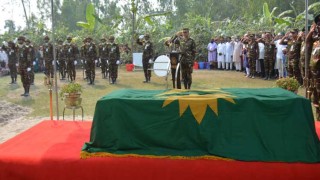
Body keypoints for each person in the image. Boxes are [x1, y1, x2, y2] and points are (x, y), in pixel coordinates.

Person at [306, 14, 320, 117]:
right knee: (316, 100)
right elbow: (307, 41)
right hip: (315, 76)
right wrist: (311, 31)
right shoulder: (316, 41)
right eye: (318, 24)